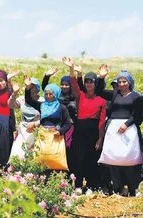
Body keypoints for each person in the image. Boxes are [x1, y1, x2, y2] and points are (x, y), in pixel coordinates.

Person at [96, 66, 143, 196]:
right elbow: (99, 91)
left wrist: (126, 124)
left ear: (130, 83)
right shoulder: (114, 95)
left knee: (130, 159)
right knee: (114, 158)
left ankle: (132, 188)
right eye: (119, 82)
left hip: (129, 129)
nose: (121, 84)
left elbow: (138, 115)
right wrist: (101, 77)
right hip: (114, 130)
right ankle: (118, 187)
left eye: (124, 82)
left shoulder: (136, 96)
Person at [64, 59, 106, 190]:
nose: (88, 84)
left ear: (95, 83)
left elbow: (102, 121)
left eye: (91, 81)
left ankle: (91, 186)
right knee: (78, 158)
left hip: (94, 132)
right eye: (86, 81)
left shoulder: (101, 100)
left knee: (91, 159)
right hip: (80, 131)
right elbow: (74, 84)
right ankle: (77, 185)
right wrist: (71, 69)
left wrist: (100, 138)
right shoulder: (80, 95)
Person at [25, 75, 72, 170]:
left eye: (51, 94)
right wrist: (27, 87)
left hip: (55, 135)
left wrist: (60, 132)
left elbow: (68, 122)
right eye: (46, 94)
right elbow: (29, 100)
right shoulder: (42, 105)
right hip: (42, 135)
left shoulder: (61, 107)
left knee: (54, 157)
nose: (48, 96)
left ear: (56, 94)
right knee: (40, 155)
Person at [9, 77, 44, 160]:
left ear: (38, 89)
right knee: (17, 153)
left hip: (36, 129)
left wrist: (36, 123)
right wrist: (14, 93)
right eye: (28, 87)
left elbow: (46, 118)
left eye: (32, 87)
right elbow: (10, 105)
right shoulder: (22, 99)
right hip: (23, 129)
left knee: (33, 154)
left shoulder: (42, 101)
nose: (31, 89)